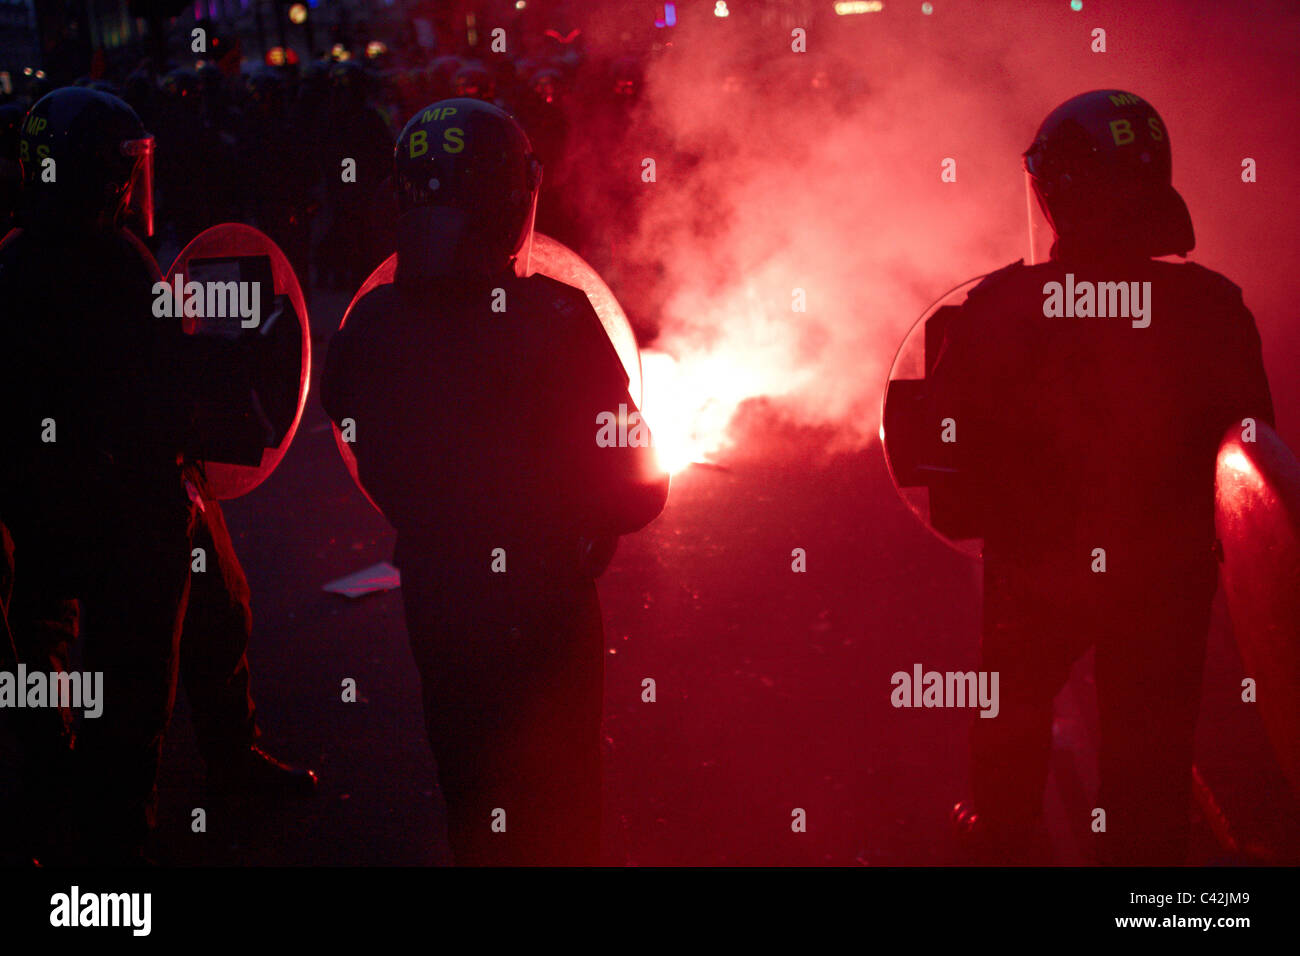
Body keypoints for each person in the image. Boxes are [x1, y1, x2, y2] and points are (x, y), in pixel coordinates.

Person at [927, 90, 1274, 865]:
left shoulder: (1000, 308)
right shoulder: (1218, 309)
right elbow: (1252, 474)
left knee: (1009, 715)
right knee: (1150, 763)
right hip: (1168, 580)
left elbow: (950, 482)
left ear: (1060, 193)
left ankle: (1001, 838)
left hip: (1035, 573)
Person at [321, 98, 669, 865]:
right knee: (561, 790)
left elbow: (360, 445)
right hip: (549, 603)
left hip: (438, 599)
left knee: (473, 785)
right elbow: (641, 486)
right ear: (513, 197)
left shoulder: (370, 325)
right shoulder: (560, 315)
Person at [0, 87, 313, 865]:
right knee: (135, 687)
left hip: (41, 497)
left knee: (197, 612)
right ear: (101, 176)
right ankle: (111, 852)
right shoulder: (113, 262)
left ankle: (55, 803)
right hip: (133, 503)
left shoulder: (13, 254)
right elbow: (161, 381)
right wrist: (249, 356)